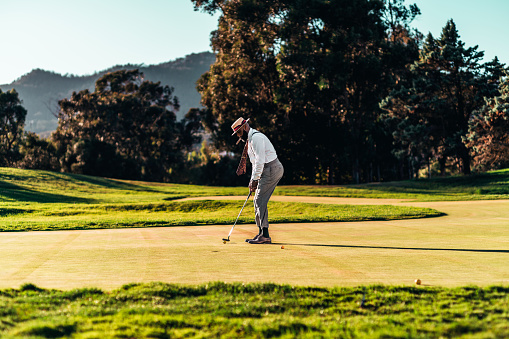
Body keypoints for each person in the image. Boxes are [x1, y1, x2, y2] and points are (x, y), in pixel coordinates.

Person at [231, 117, 284, 244]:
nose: (238, 135)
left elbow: (260, 161)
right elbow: (255, 163)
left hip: (272, 168)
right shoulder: (250, 140)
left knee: (260, 199)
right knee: (257, 200)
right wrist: (252, 181)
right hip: (265, 169)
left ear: (244, 127)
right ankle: (261, 233)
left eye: (239, 132)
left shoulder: (256, 138)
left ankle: (265, 235)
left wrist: (256, 180)